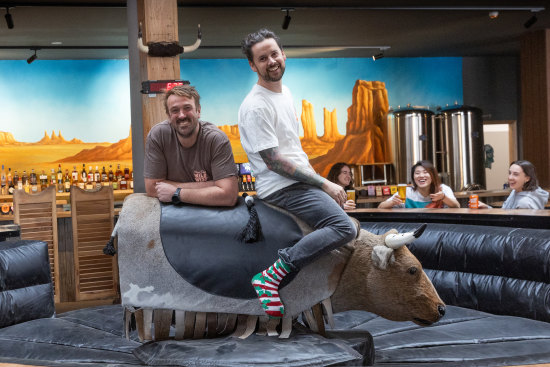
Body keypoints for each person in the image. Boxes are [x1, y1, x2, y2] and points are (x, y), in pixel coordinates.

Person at [238, 29, 357, 319]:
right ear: (253, 66)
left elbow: (294, 152)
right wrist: (325, 183)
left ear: (284, 55)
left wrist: (324, 188)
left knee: (344, 218)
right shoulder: (256, 105)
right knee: (344, 228)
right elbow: (275, 162)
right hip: (281, 187)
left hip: (297, 183)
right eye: (262, 58)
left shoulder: (285, 93)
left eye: (274, 54)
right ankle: (271, 276)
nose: (271, 61)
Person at [144, 84, 238, 206]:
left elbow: (229, 196)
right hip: (171, 212)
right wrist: (212, 185)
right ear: (168, 116)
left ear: (198, 111)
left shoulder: (216, 139)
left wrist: (177, 193)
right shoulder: (158, 135)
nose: (182, 115)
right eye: (175, 110)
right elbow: (152, 188)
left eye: (187, 108)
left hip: (211, 213)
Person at [378, 160, 460, 209]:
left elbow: (457, 206)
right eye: (417, 173)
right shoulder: (407, 192)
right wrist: (392, 202)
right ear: (413, 177)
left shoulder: (443, 189)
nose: (421, 176)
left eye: (425, 172)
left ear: (433, 176)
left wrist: (443, 197)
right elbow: (380, 207)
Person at [478, 160, 548, 209]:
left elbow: (513, 226)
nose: (510, 177)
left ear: (527, 178)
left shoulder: (524, 203)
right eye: (509, 173)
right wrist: (487, 208)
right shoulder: (515, 191)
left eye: (516, 174)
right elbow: (505, 214)